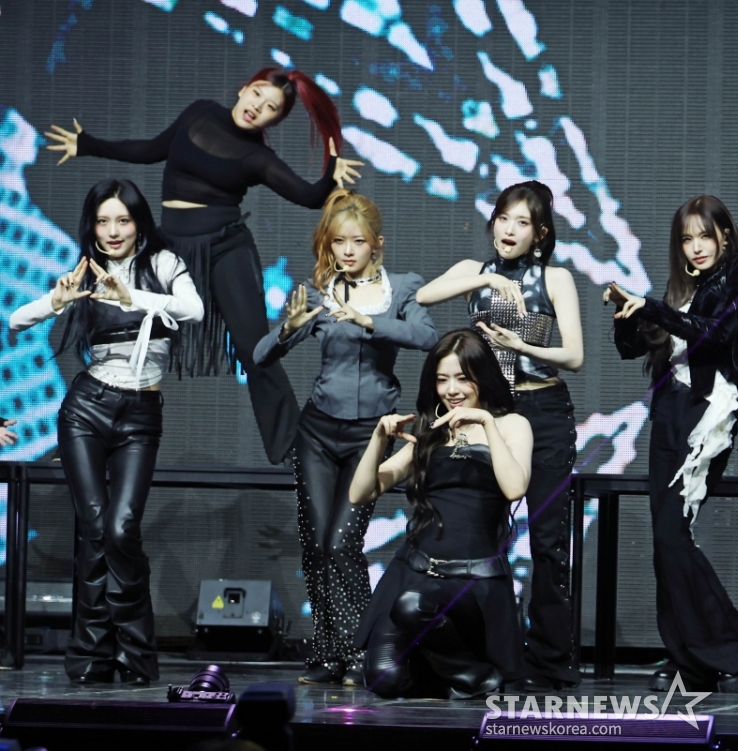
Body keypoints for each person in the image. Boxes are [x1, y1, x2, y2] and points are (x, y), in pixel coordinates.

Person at [44, 67, 364, 465]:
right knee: (119, 335)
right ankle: (84, 438)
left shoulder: (257, 157)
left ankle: (299, 452)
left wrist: (331, 175)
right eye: (257, 95)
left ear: (274, 122)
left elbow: (308, 196)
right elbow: (151, 149)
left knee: (255, 350)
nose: (258, 108)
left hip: (225, 249)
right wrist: (88, 144)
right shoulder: (200, 113)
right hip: (172, 248)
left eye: (271, 109)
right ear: (244, 89)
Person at [9, 179, 203, 683]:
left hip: (140, 414)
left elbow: (195, 310)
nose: (113, 231)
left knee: (121, 529)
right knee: (94, 529)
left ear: (139, 223)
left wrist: (131, 295)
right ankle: (91, 656)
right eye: (102, 221)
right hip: (86, 409)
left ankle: (135, 653)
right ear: (92, 226)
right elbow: (17, 319)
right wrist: (56, 302)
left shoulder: (162, 264)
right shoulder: (85, 271)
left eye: (122, 220)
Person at [253, 190, 438, 686]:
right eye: (339, 242)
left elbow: (427, 337)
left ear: (377, 243)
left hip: (369, 436)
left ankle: (362, 649)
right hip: (317, 431)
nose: (348, 251)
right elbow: (261, 356)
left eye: (358, 241)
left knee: (342, 542)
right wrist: (288, 329)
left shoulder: (402, 287)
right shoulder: (319, 292)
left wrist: (369, 321)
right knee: (316, 544)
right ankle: (327, 652)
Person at [415, 181, 583, 691]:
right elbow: (422, 295)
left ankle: (550, 660)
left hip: (543, 409)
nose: (509, 230)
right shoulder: (475, 270)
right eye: (503, 218)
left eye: (522, 222)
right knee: (482, 532)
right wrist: (485, 282)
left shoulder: (555, 278)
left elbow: (574, 356)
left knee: (548, 540)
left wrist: (521, 345)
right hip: (493, 411)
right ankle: (488, 652)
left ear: (540, 233)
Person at [604, 195, 738, 692]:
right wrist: (627, 315)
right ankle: (688, 661)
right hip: (670, 411)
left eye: (704, 236)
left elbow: (717, 335)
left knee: (673, 534)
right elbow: (634, 349)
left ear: (724, 235)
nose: (696, 247)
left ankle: (737, 650)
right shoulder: (682, 290)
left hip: (710, 411)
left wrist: (655, 308)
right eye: (686, 239)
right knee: (664, 540)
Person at [349, 329, 531, 699]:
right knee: (384, 679)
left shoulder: (511, 425)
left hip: (469, 584)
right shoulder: (427, 429)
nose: (452, 390)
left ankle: (472, 674)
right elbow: (360, 492)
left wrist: (486, 423)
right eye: (442, 379)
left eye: (463, 378)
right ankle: (453, 674)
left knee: (414, 605)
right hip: (413, 571)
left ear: (482, 376)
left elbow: (515, 488)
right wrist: (378, 439)